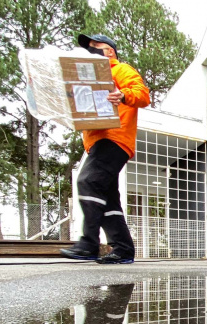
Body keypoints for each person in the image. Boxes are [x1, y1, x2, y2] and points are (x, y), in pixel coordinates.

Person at [60, 34, 151, 264]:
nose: (91, 50)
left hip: (115, 138)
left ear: (110, 51)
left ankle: (89, 243)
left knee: (88, 181)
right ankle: (123, 249)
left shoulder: (120, 70)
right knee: (109, 199)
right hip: (98, 141)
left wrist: (123, 95)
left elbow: (143, 95)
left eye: (95, 47)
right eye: (89, 48)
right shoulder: (86, 78)